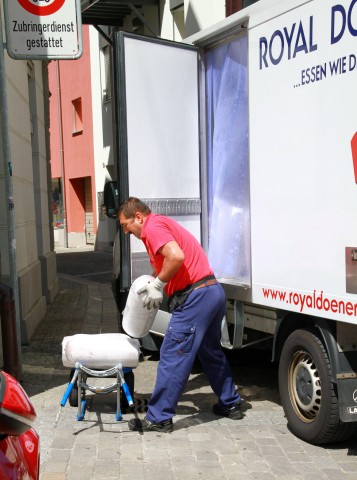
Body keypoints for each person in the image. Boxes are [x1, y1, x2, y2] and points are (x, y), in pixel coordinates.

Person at [118, 197, 242, 432]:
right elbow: (163, 263)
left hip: (195, 298)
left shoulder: (152, 227)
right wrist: (153, 281)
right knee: (210, 351)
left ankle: (159, 417)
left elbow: (176, 257)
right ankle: (231, 403)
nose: (126, 231)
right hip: (212, 292)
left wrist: (158, 285)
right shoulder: (161, 224)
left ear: (138, 217)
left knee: (173, 354)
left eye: (125, 225)